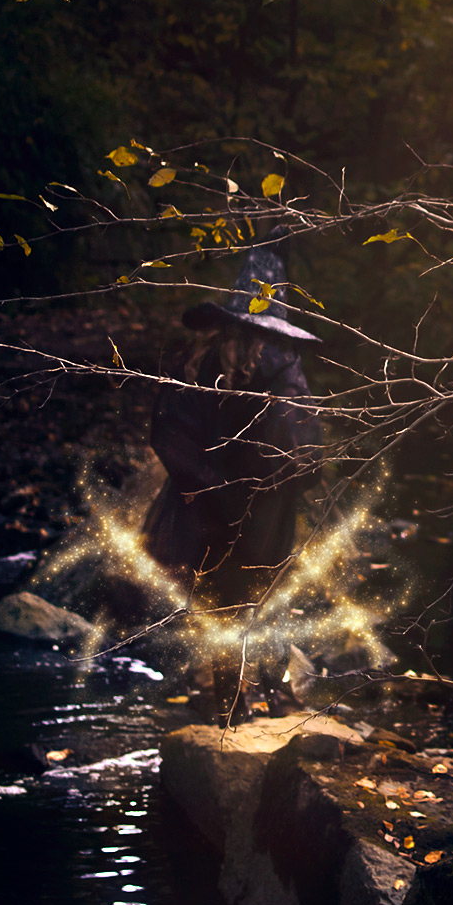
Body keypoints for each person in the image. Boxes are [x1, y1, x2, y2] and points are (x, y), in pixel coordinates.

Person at [142, 243, 323, 724]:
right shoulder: (277, 367)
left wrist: (212, 487)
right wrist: (245, 487)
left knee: (225, 606)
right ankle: (260, 704)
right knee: (252, 601)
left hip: (215, 506)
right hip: (250, 508)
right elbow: (305, 450)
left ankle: (238, 708)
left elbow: (167, 432)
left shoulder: (204, 363)